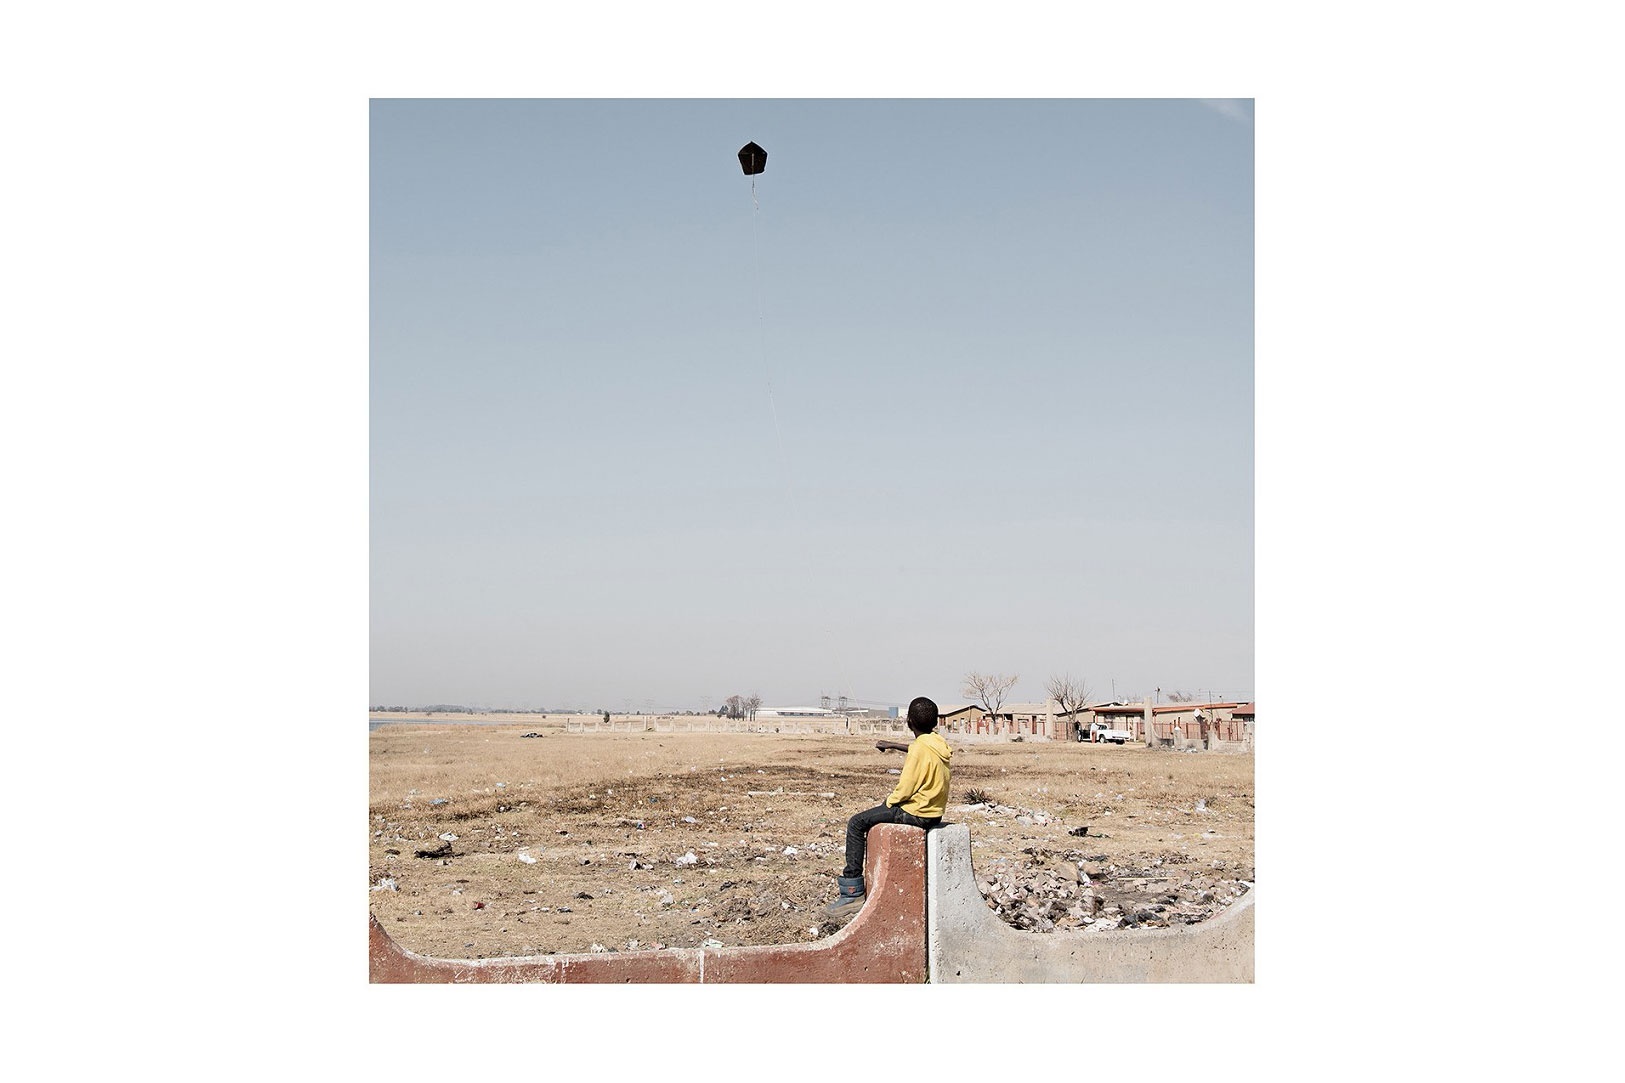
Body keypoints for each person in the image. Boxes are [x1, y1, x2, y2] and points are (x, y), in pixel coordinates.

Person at [824, 696, 952, 918]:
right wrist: (892, 745)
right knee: (866, 818)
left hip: (916, 813)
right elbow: (918, 748)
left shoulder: (919, 749)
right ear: (935, 723)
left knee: (856, 823)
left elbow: (906, 787)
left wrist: (889, 802)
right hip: (934, 813)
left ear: (908, 721)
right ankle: (852, 892)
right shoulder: (937, 743)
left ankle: (852, 893)